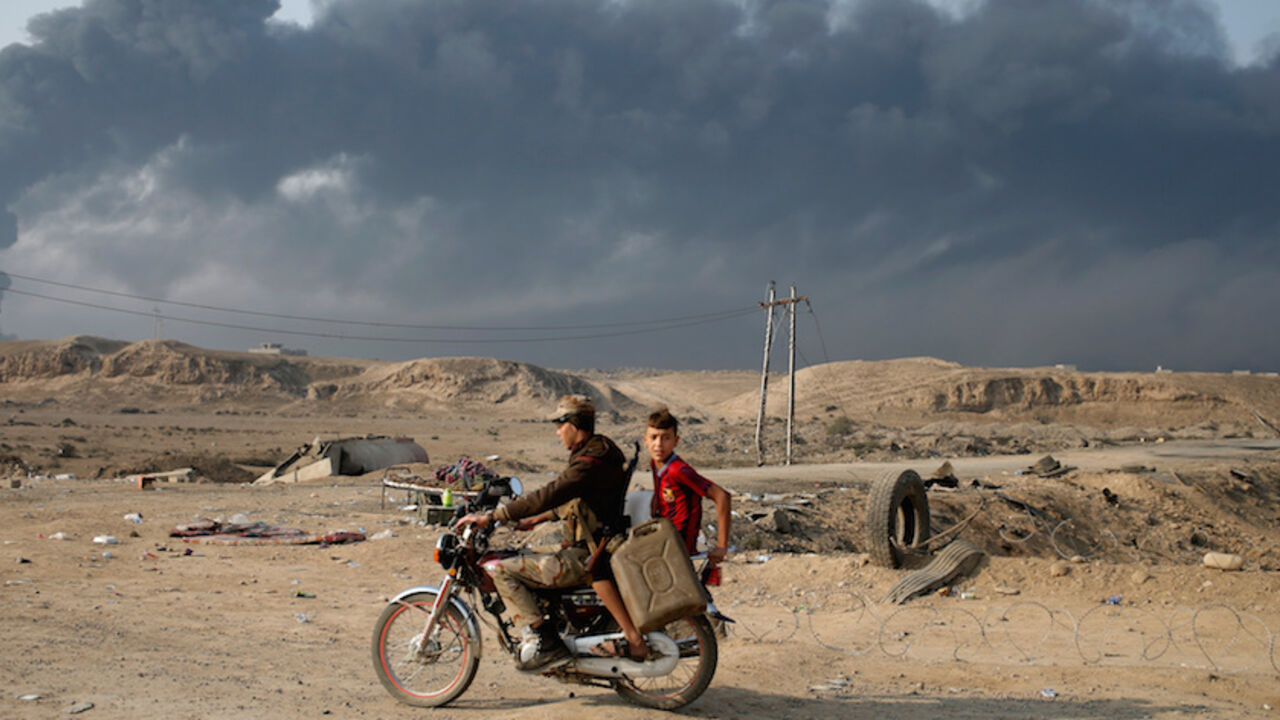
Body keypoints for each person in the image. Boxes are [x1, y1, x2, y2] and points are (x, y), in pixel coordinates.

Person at [454, 395, 649, 671]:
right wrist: (533, 521)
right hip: (590, 545)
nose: (558, 433)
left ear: (574, 424)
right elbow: (575, 502)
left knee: (503, 570)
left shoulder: (589, 462)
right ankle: (553, 624)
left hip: (587, 552)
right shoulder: (596, 452)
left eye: (560, 425)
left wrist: (494, 516)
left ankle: (547, 644)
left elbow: (552, 493)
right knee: (524, 555)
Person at [645, 407, 732, 565]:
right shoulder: (655, 463)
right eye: (654, 437)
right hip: (665, 538)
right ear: (645, 440)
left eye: (666, 438)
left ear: (676, 441)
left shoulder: (679, 470)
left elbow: (722, 496)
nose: (658, 444)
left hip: (680, 547)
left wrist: (721, 546)